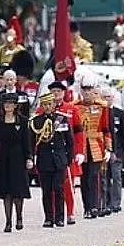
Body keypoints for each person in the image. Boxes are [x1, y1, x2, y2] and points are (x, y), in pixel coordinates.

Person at [30, 92, 74, 227]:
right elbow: (32, 142)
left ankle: (60, 217)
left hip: (59, 159)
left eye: (50, 104)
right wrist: (31, 158)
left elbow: (70, 141)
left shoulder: (62, 119)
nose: (48, 107)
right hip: (44, 160)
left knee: (58, 188)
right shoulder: (36, 121)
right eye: (45, 104)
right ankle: (48, 217)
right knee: (47, 190)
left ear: (54, 104)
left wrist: (69, 157)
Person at [0, 93, 33, 232]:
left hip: (18, 158)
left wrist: (29, 157)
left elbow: (27, 141)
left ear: (15, 105)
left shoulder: (22, 120)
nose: (7, 105)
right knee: (6, 190)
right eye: (5, 103)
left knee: (18, 190)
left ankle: (19, 217)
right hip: (2, 158)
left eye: (10, 103)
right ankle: (8, 221)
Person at [46, 81, 85, 225]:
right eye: (53, 91)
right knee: (50, 186)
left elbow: (79, 132)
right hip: (49, 153)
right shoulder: (43, 109)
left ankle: (70, 212)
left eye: (58, 91)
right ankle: (54, 213)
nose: (56, 94)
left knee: (68, 185)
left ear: (63, 93)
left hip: (66, 152)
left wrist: (79, 152)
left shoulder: (71, 109)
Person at [76, 72, 112, 219]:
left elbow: (106, 129)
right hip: (82, 146)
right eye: (84, 89)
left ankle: (95, 206)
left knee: (94, 176)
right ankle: (87, 207)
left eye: (90, 89)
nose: (87, 92)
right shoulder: (76, 107)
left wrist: (109, 148)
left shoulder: (102, 107)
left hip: (97, 145)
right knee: (84, 178)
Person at [102, 87, 124, 215]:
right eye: (105, 97)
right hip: (104, 151)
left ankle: (116, 203)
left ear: (113, 98)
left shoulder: (119, 113)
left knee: (117, 177)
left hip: (117, 150)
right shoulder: (100, 112)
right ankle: (106, 203)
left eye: (109, 97)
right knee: (105, 178)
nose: (107, 99)